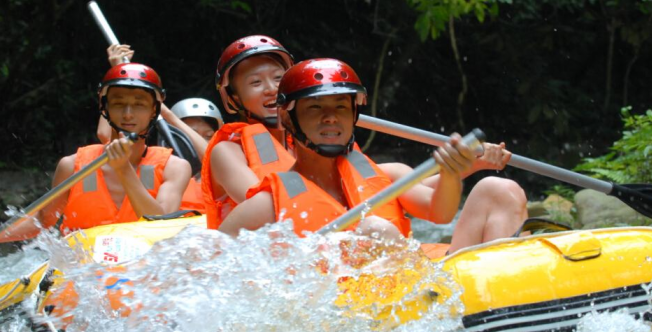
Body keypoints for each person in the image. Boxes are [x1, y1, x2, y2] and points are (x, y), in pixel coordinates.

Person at [217, 59, 528, 254]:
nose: (330, 118)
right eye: (315, 109)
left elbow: (441, 214)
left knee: (499, 190)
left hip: (422, 294)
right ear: (288, 119)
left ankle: (504, 304)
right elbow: (214, 268)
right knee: (375, 231)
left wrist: (451, 172)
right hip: (353, 320)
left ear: (354, 114)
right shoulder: (267, 205)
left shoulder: (384, 176)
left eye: (340, 107)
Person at [0, 62, 193, 258]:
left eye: (140, 104)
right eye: (119, 103)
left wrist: (124, 170)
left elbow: (162, 224)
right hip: (83, 269)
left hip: (141, 267)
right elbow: (43, 221)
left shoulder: (175, 167)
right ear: (105, 107)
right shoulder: (72, 165)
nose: (128, 114)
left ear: (155, 109)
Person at [200, 36, 297, 229]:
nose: (272, 89)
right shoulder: (227, 152)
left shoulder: (307, 144)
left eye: (279, 78)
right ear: (235, 98)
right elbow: (267, 209)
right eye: (256, 83)